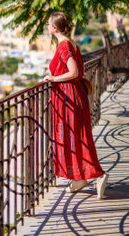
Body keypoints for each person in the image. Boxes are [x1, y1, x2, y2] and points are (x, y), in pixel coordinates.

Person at [43, 11, 109, 199]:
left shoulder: (64, 46)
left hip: (69, 96)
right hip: (72, 95)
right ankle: (80, 177)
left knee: (76, 137)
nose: (47, 26)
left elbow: (74, 71)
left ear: (54, 28)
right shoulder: (69, 43)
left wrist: (53, 78)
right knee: (76, 137)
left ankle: (98, 174)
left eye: (49, 24)